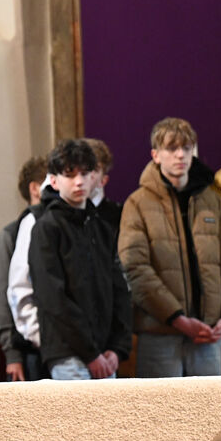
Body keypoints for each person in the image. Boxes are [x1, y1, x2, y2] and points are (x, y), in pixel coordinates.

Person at [118, 117, 221, 377]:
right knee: (162, 404)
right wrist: (177, 318)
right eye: (171, 148)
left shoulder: (212, 201)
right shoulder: (138, 203)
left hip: (207, 333)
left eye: (187, 148)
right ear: (155, 155)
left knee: (210, 403)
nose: (180, 155)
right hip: (161, 332)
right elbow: (136, 268)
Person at [27, 139, 132, 379]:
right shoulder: (47, 227)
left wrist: (117, 348)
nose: (79, 181)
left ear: (94, 176)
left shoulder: (100, 227)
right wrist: (90, 354)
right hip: (68, 354)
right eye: (69, 174)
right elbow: (53, 297)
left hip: (105, 353)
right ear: (54, 181)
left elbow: (119, 290)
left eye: (85, 174)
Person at [0, 156, 47, 381]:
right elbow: (1, 298)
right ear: (35, 188)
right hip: (27, 351)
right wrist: (12, 355)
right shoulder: (10, 236)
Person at [84, 138, 122, 236]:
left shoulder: (121, 215)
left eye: (93, 170)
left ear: (103, 180)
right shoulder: (61, 214)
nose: (86, 175)